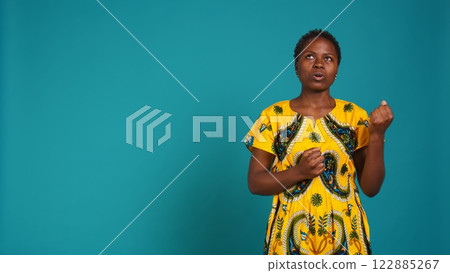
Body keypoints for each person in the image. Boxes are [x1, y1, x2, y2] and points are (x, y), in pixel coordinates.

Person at [245, 29, 394, 255]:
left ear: (336, 70)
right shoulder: (273, 116)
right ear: (296, 66)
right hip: (289, 241)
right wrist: (299, 172)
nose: (319, 64)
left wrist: (376, 135)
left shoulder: (355, 116)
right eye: (310, 56)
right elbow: (255, 183)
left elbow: (371, 188)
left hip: (347, 238)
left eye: (328, 59)